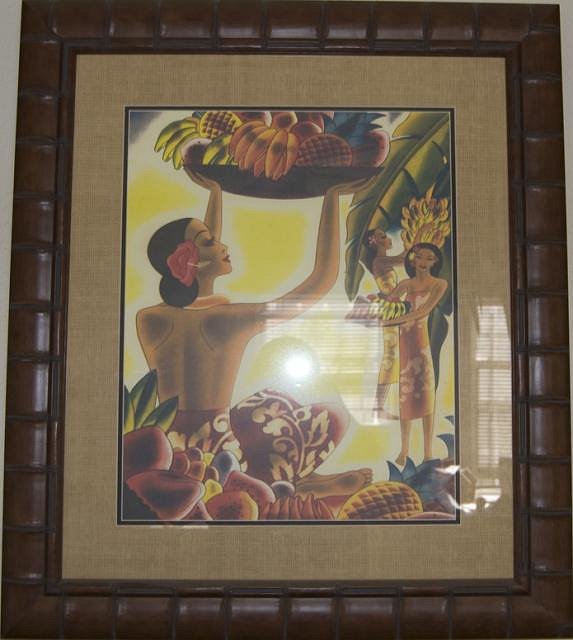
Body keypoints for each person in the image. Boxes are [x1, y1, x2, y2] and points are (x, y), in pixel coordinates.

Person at [136, 171, 371, 492]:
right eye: (211, 242)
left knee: (275, 398)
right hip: (223, 460)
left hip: (170, 447)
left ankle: (298, 481)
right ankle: (296, 486)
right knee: (332, 415)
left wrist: (216, 191)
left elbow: (195, 278)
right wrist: (332, 198)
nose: (223, 245)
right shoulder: (228, 320)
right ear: (189, 261)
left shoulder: (149, 319)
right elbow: (321, 279)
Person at [379, 242, 448, 465]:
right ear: (413, 260)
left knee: (426, 394)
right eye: (420, 257)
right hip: (405, 342)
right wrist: (381, 305)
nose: (423, 262)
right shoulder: (406, 284)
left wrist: (392, 321)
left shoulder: (439, 284)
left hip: (421, 341)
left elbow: (423, 311)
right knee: (405, 395)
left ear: (435, 262)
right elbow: (388, 304)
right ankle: (404, 450)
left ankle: (427, 452)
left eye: (429, 258)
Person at [361, 228, 406, 419]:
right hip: (390, 311)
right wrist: (409, 240)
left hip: (392, 308)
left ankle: (379, 407)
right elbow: (403, 259)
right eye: (383, 236)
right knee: (390, 357)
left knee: (392, 356)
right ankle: (378, 408)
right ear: (375, 242)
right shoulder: (379, 261)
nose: (387, 238)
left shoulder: (382, 261)